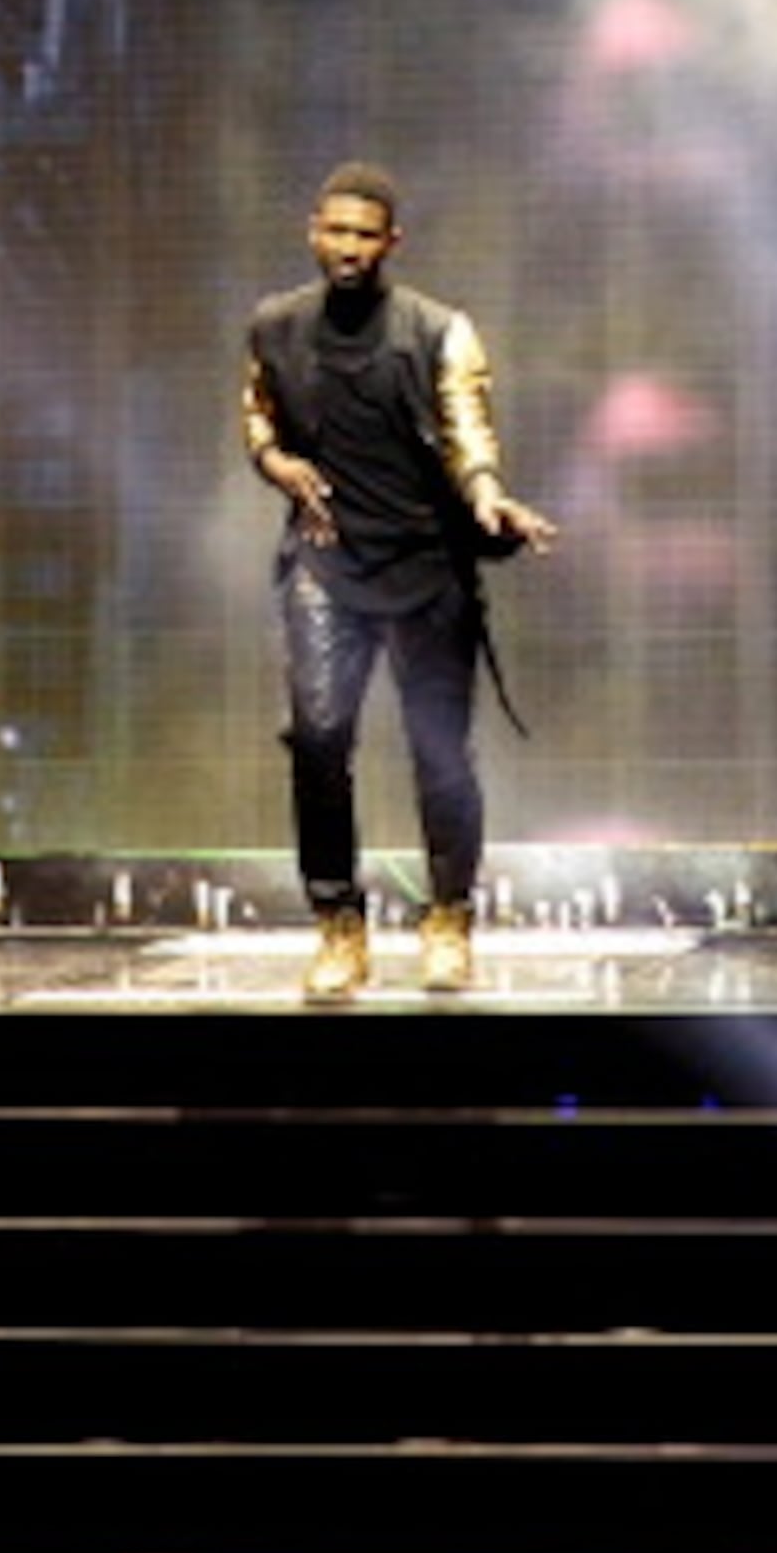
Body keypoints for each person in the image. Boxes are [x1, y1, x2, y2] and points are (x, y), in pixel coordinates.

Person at [240, 161, 558, 999]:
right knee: (316, 742)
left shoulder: (438, 330)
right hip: (327, 564)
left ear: (390, 243)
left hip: (426, 568)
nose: (346, 249)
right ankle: (338, 925)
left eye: (363, 235)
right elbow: (258, 417)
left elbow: (468, 431)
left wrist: (491, 499)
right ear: (313, 229)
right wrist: (278, 465)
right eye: (334, 231)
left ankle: (448, 917)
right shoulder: (276, 325)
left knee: (441, 754)